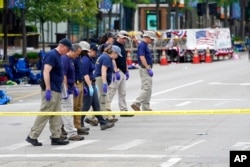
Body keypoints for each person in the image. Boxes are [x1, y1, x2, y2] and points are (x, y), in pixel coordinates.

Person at [26, 38, 74, 146]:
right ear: (62, 46)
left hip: (56, 89)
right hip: (51, 89)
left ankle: (55, 136)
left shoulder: (58, 56)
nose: (67, 52)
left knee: (56, 114)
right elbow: (46, 71)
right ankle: (32, 136)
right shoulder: (52, 55)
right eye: (67, 49)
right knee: (45, 113)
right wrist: (48, 88)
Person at [81, 43, 114, 130]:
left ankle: (102, 123)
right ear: (90, 50)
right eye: (94, 51)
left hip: (92, 82)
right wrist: (89, 86)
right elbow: (85, 74)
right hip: (88, 84)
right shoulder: (85, 60)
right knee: (86, 105)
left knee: (96, 104)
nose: (96, 53)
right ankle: (80, 123)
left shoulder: (90, 59)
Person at [60, 43, 85, 141]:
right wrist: (65, 90)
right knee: (67, 112)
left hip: (71, 87)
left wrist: (74, 86)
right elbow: (64, 76)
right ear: (72, 51)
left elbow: (72, 75)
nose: (78, 56)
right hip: (66, 90)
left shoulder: (71, 60)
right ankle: (71, 133)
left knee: (68, 111)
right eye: (77, 53)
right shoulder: (65, 59)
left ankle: (63, 130)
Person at [106, 30, 133, 117]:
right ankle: (106, 109)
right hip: (116, 71)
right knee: (111, 91)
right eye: (123, 38)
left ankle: (123, 109)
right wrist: (116, 71)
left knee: (122, 92)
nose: (124, 40)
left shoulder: (122, 46)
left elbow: (124, 59)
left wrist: (127, 70)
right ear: (118, 37)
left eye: (125, 38)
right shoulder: (114, 46)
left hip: (123, 71)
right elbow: (112, 59)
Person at [94, 45, 122, 118]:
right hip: (100, 79)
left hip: (101, 79)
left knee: (103, 99)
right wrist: (104, 83)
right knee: (101, 99)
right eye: (117, 54)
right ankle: (100, 117)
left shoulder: (105, 56)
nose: (117, 57)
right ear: (113, 53)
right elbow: (103, 71)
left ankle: (103, 117)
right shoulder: (106, 58)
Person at [131, 31, 156, 111]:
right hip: (145, 68)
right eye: (151, 39)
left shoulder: (144, 45)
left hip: (146, 68)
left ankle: (146, 106)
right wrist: (148, 68)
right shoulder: (142, 45)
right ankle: (136, 103)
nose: (152, 41)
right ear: (147, 37)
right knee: (147, 88)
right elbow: (142, 57)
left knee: (148, 88)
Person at [73, 41, 90, 133]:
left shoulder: (80, 58)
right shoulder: (74, 58)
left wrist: (82, 85)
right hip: (75, 83)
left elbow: (81, 72)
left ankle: (78, 125)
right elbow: (72, 72)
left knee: (79, 106)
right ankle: (70, 127)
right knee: (74, 106)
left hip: (80, 82)